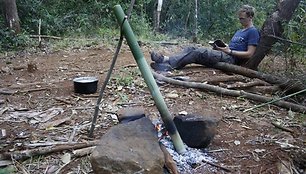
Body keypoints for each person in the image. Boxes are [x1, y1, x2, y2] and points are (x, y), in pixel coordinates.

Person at [151, 5, 260, 70]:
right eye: (239, 18)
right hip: (226, 53)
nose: (240, 21)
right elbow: (233, 46)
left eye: (242, 19)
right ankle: (170, 61)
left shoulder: (253, 32)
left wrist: (230, 51)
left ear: (250, 17)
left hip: (231, 58)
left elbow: (249, 54)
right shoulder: (239, 31)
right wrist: (223, 46)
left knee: (198, 53)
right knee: (190, 48)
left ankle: (166, 61)